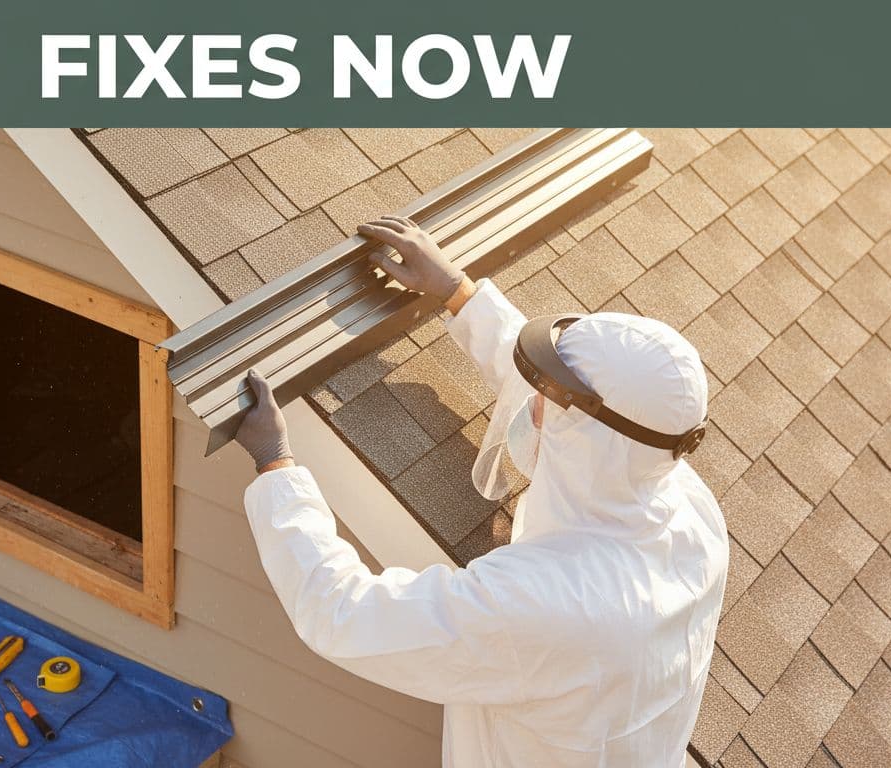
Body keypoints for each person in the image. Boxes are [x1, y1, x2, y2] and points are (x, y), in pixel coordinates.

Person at [234, 215, 729, 767]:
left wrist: (276, 466)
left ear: (584, 430)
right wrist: (458, 294)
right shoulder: (687, 507)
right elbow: (582, 414)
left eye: (548, 393)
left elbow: (343, 612)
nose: (534, 402)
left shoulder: (542, 605)